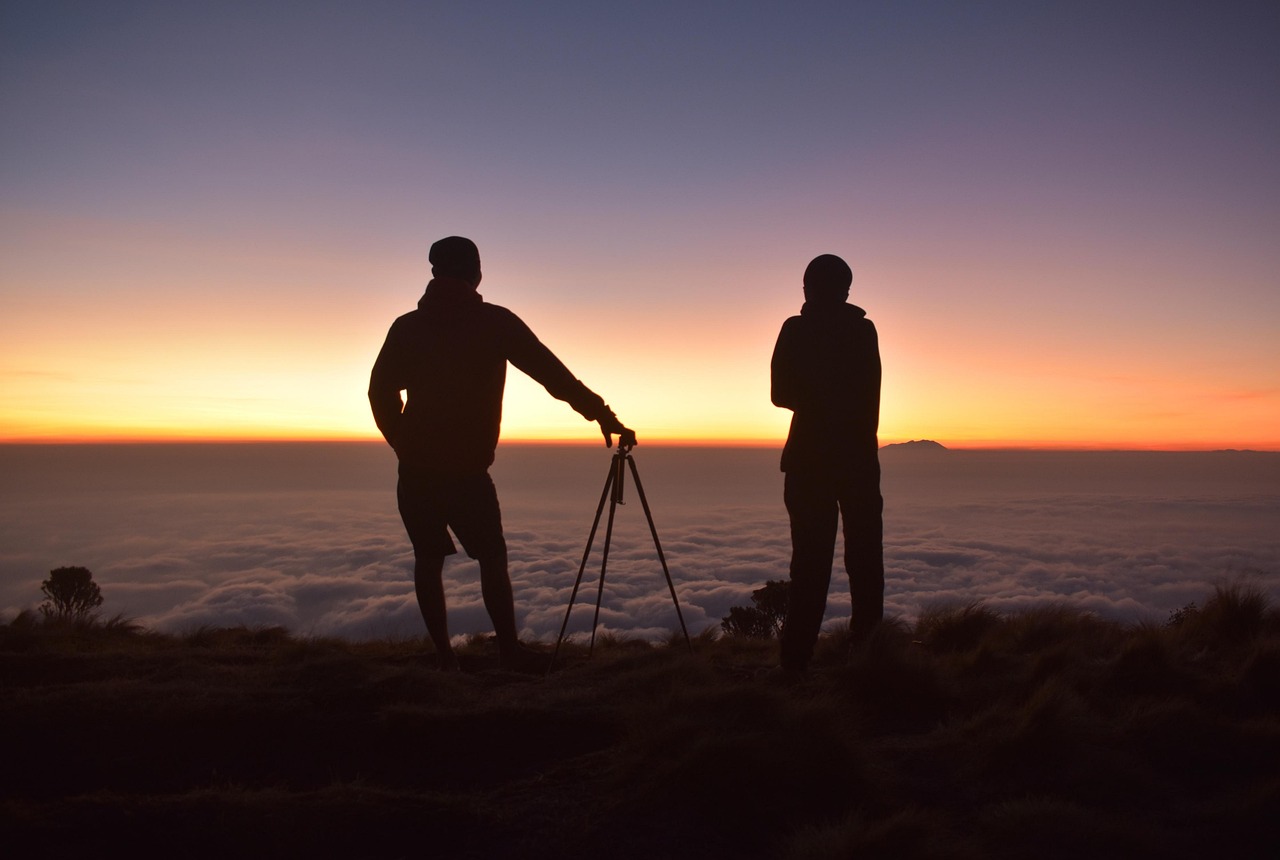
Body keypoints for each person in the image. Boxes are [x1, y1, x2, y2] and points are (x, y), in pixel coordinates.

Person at [369, 236, 635, 671]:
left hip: (416, 469)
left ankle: (444, 657)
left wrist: (403, 440)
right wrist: (602, 415)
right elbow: (553, 375)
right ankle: (509, 651)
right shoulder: (494, 323)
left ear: (435, 273)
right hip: (467, 469)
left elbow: (380, 391)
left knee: (428, 560)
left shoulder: (408, 327)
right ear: (475, 273)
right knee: (492, 558)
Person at [770, 254, 883, 674]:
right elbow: (867, 394)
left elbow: (780, 394)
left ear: (807, 288)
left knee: (810, 564)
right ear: (846, 290)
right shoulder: (863, 331)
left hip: (809, 461)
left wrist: (815, 398)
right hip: (858, 459)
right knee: (866, 560)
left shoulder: (796, 329)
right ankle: (870, 652)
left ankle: (796, 661)